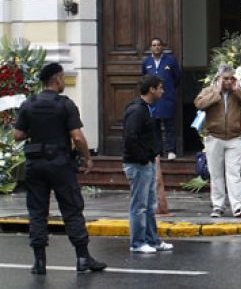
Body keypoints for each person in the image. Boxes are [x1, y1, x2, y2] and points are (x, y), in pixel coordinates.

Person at [12, 63, 106, 274]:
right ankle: (82, 258)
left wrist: (35, 131)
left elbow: (17, 135)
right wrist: (87, 158)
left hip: (35, 165)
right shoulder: (64, 104)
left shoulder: (29, 104)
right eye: (63, 78)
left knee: (37, 212)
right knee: (72, 210)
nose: (64, 82)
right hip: (60, 164)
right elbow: (77, 137)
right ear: (57, 80)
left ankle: (39, 262)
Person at [194, 65, 241, 218]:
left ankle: (237, 206)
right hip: (214, 137)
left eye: (231, 78)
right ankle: (218, 206)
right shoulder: (210, 91)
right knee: (216, 174)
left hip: (234, 138)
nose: (228, 82)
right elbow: (199, 104)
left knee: (234, 173)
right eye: (225, 78)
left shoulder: (237, 92)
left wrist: (237, 91)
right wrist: (216, 91)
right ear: (219, 78)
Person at [122, 75, 175, 253]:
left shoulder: (147, 109)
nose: (162, 91)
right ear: (152, 89)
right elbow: (131, 137)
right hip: (138, 164)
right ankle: (137, 242)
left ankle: (152, 240)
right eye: (160, 87)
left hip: (146, 162)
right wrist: (144, 157)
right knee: (139, 205)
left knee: (149, 203)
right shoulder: (137, 110)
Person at [141, 37, 182, 161]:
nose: (156, 47)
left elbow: (177, 78)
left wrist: (169, 89)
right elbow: (144, 78)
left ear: (162, 47)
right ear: (150, 48)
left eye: (158, 45)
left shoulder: (170, 60)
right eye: (154, 45)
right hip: (153, 100)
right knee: (154, 126)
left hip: (167, 98)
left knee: (170, 125)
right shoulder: (146, 62)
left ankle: (171, 150)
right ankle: (158, 151)